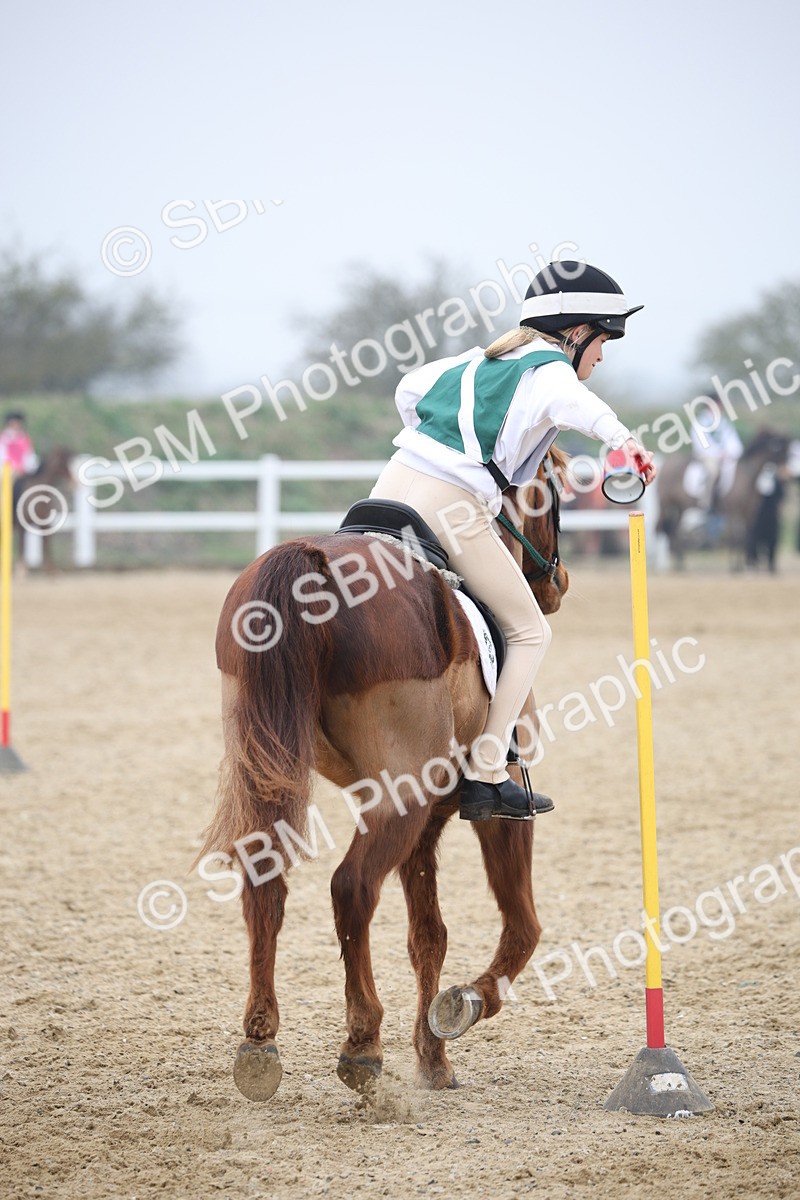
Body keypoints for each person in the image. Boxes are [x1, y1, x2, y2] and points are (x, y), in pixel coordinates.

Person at [370, 260, 656, 821]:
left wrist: (445, 435)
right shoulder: (552, 371)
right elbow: (580, 408)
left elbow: (409, 391)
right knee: (530, 630)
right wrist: (626, 442)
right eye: (602, 341)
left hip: (387, 487)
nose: (601, 356)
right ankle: (486, 774)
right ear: (576, 333)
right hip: (446, 507)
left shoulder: (474, 360)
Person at [689, 394, 743, 513]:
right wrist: (718, 453)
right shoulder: (701, 421)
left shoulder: (723, 422)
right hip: (708, 456)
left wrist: (733, 452)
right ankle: (705, 503)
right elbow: (701, 442)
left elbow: (733, 440)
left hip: (725, 457)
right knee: (713, 471)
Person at [0, 412, 38, 476]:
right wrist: (14, 467)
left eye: (18, 423)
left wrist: (25, 466)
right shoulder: (4, 438)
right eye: (14, 423)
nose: (16, 425)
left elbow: (29, 453)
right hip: (7, 469)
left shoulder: (25, 438)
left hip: (23, 469)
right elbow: (2, 454)